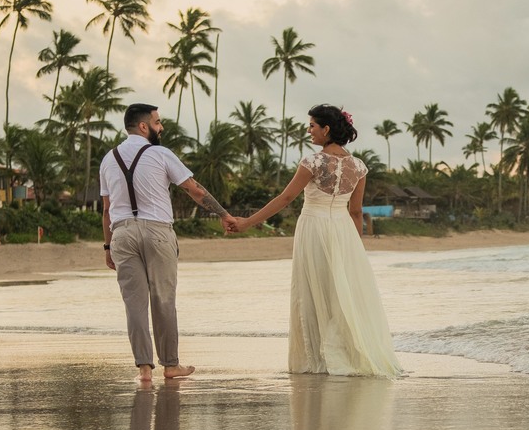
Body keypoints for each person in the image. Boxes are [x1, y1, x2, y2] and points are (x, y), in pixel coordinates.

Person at [226, 104, 402, 378]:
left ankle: (316, 360)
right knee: (340, 294)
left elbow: (285, 199)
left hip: (314, 228)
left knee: (311, 292)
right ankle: (346, 355)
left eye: (312, 126)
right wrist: (355, 251)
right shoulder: (358, 166)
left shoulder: (313, 162)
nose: (309, 131)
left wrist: (246, 222)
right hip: (344, 232)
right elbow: (356, 212)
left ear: (326, 129)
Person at [101, 102, 236, 383]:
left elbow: (106, 208)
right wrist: (224, 214)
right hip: (157, 231)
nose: (160, 127)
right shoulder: (160, 153)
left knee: (134, 304)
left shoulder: (108, 159)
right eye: (157, 122)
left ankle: (144, 369)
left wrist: (107, 246)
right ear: (143, 126)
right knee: (163, 299)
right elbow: (194, 189)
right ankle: (171, 366)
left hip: (122, 234)